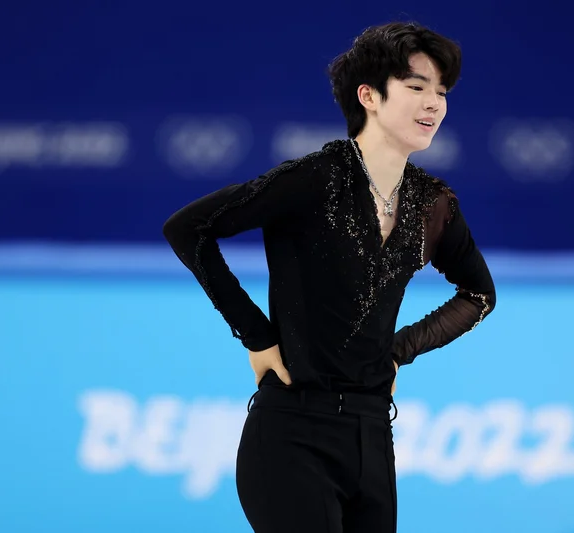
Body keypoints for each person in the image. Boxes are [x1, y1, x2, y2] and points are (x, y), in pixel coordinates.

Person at [162, 20, 496, 533]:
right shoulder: (315, 179)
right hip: (291, 432)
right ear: (369, 96)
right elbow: (189, 229)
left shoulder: (432, 203)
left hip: (372, 438)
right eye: (416, 87)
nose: (434, 104)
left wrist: (398, 351)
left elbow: (479, 294)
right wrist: (255, 334)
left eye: (442, 93)